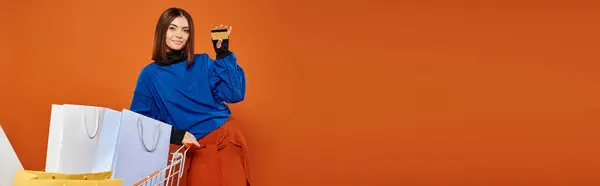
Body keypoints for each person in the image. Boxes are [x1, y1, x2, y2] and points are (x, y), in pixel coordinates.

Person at [129, 7, 250, 186]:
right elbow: (139, 123)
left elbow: (235, 94)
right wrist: (175, 135)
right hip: (187, 148)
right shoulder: (149, 75)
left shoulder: (203, 63)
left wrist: (223, 54)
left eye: (185, 30)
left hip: (221, 142)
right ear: (162, 31)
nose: (179, 35)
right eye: (173, 28)